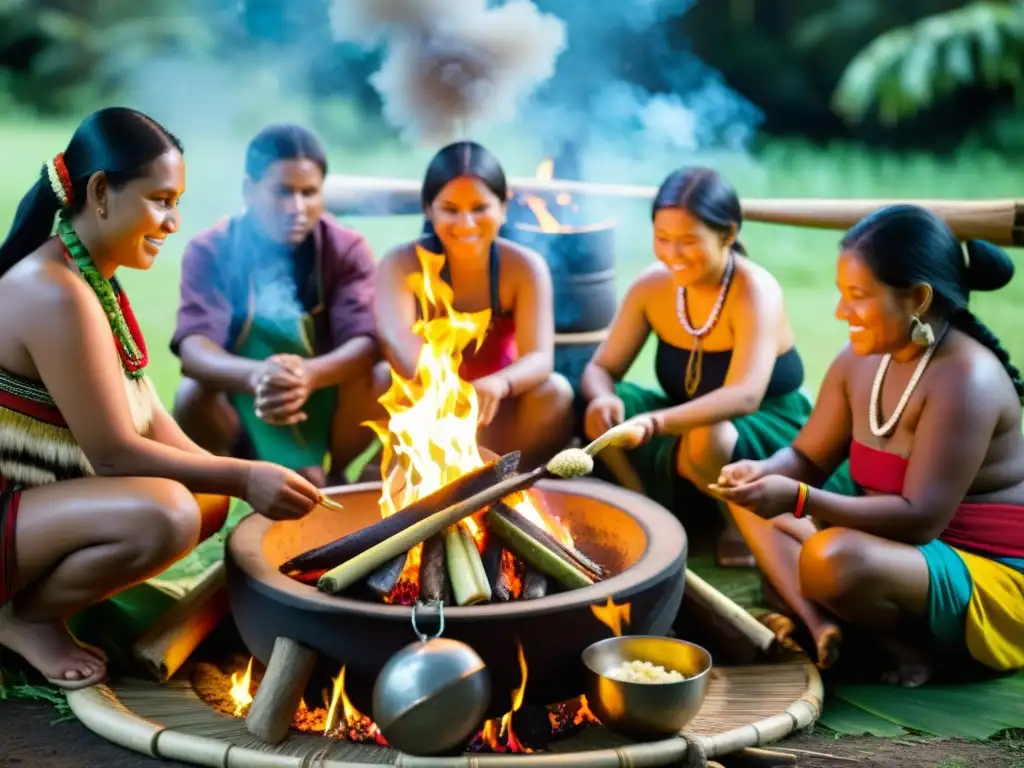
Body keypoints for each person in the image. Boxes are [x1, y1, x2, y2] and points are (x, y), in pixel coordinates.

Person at [0, 107, 320, 691]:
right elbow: (117, 454)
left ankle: (35, 602)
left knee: (205, 498)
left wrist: (241, 477)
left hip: (34, 507)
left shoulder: (91, 275)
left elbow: (148, 416)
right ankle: (25, 617)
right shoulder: (52, 292)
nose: (174, 221)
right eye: (161, 200)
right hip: (11, 510)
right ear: (100, 192)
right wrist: (246, 477)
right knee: (168, 514)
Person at [711, 205, 1024, 685]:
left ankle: (909, 648)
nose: (841, 311)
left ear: (917, 298)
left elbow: (921, 519)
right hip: (895, 551)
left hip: (983, 570)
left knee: (831, 560)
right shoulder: (860, 360)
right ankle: (827, 624)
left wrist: (797, 498)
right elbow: (807, 458)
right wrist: (763, 471)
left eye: (857, 296)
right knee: (754, 507)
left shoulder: (967, 378)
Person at [579, 166, 813, 567]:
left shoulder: (755, 290)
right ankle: (648, 510)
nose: (672, 253)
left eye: (688, 241)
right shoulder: (652, 285)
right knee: (602, 413)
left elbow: (745, 395)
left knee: (708, 436)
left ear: (729, 234)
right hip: (683, 421)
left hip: (764, 427)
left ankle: (739, 527)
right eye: (663, 238)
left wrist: (654, 423)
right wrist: (603, 398)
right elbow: (600, 369)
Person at [170, 124, 386, 487]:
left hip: (322, 392)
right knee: (191, 392)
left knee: (381, 378)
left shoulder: (347, 249)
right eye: (282, 192)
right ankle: (230, 479)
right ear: (248, 190)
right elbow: (194, 349)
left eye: (309, 192)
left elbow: (365, 344)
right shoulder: (211, 249)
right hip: (243, 397)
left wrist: (308, 375)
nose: (296, 208)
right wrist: (257, 376)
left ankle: (336, 471)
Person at [374, 141, 574, 470]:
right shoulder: (400, 264)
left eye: (480, 208)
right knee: (383, 376)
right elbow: (397, 339)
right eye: (450, 209)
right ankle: (394, 469)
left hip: (497, 408)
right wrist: (443, 386)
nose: (466, 224)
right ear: (428, 209)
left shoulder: (523, 267)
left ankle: (513, 478)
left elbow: (540, 357)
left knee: (555, 391)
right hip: (428, 406)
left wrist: (498, 384)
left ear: (503, 207)